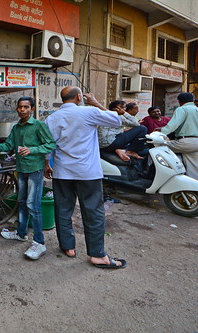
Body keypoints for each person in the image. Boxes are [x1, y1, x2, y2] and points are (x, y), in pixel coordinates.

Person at [44, 87, 127, 269]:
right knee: (93, 212)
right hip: (87, 172)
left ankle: (68, 247)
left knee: (63, 209)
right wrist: (95, 102)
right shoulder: (89, 111)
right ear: (79, 97)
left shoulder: (52, 118)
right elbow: (116, 120)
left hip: (62, 171)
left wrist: (46, 164)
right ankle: (97, 255)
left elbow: (48, 144)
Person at [0, 97, 56, 260]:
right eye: (20, 107)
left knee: (33, 205)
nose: (22, 110)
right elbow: (7, 147)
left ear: (32, 109)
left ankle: (39, 242)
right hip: (21, 169)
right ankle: (21, 233)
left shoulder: (38, 125)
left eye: (26, 107)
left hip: (35, 169)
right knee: (21, 202)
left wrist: (32, 150)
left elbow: (51, 144)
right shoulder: (16, 128)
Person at [159, 92, 198, 180]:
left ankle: (151, 172)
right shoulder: (196, 109)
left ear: (179, 101)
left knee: (158, 146)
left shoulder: (181, 109)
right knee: (194, 167)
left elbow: (173, 125)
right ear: (193, 100)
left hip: (185, 142)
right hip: (196, 143)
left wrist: (161, 131)